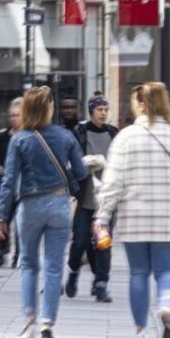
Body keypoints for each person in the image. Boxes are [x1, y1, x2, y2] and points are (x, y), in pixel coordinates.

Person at [96, 83, 170, 338]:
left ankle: (140, 333)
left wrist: (102, 216)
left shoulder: (125, 137)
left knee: (138, 272)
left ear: (141, 104)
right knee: (168, 270)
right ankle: (167, 307)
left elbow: (112, 181)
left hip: (134, 217)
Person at [0, 85, 86, 338]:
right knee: (54, 266)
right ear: (49, 108)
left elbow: (8, 181)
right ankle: (47, 326)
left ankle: (29, 321)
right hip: (59, 204)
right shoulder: (65, 136)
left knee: (28, 264)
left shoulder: (19, 139)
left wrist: (0, 215)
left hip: (30, 206)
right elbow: (81, 173)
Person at [67, 95, 117, 302]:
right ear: (91, 112)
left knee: (103, 243)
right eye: (99, 110)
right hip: (85, 199)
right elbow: (71, 160)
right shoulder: (80, 132)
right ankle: (73, 273)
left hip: (105, 202)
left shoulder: (114, 133)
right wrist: (85, 164)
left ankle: (101, 284)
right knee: (80, 241)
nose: (103, 113)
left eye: (106, 109)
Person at [0, 98, 22, 268]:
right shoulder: (3, 137)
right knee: (2, 218)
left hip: (23, 186)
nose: (14, 119)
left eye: (17, 115)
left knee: (21, 223)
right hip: (5, 184)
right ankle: (2, 252)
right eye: (11, 115)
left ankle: (19, 254)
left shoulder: (29, 136)